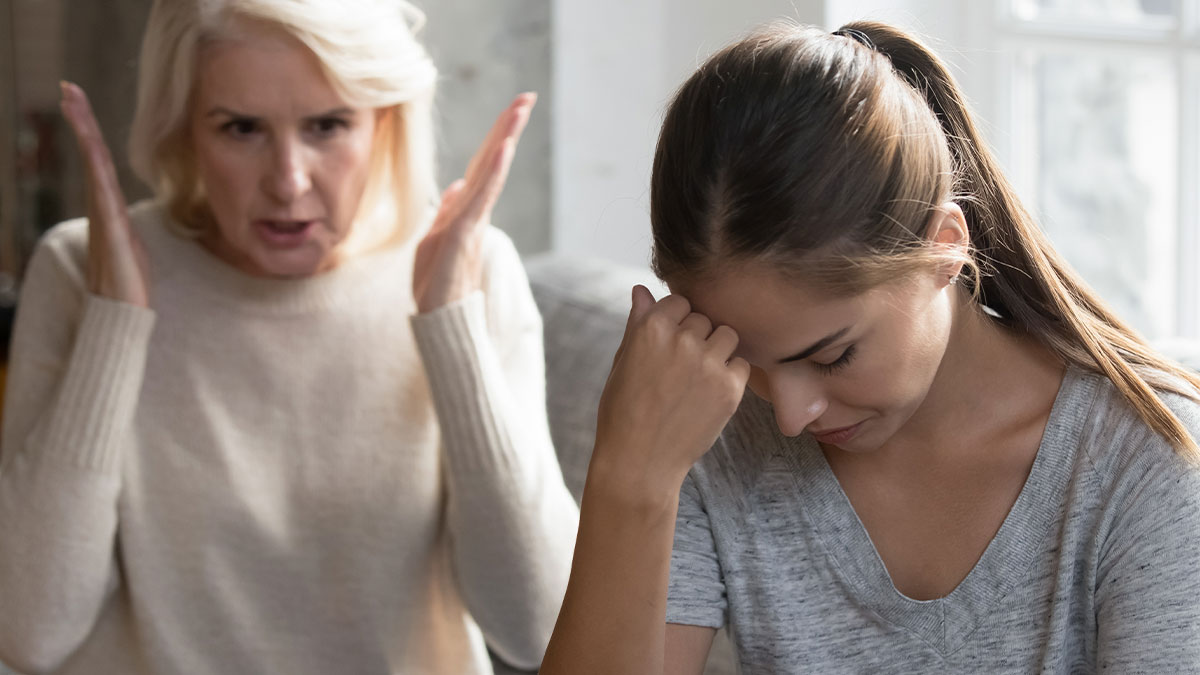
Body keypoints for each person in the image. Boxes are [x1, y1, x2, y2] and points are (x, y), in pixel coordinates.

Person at [541, 20, 1200, 674]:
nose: (792, 415)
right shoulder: (703, 435)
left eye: (832, 355)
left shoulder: (1146, 466)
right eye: (747, 361)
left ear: (945, 247)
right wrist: (630, 477)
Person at [0, 1, 578, 673]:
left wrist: (449, 325)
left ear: (383, 121)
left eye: (328, 125)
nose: (288, 180)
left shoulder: (472, 268)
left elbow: (539, 628)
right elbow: (26, 631)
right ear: (185, 127)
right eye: (241, 128)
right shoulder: (82, 268)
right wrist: (116, 324)